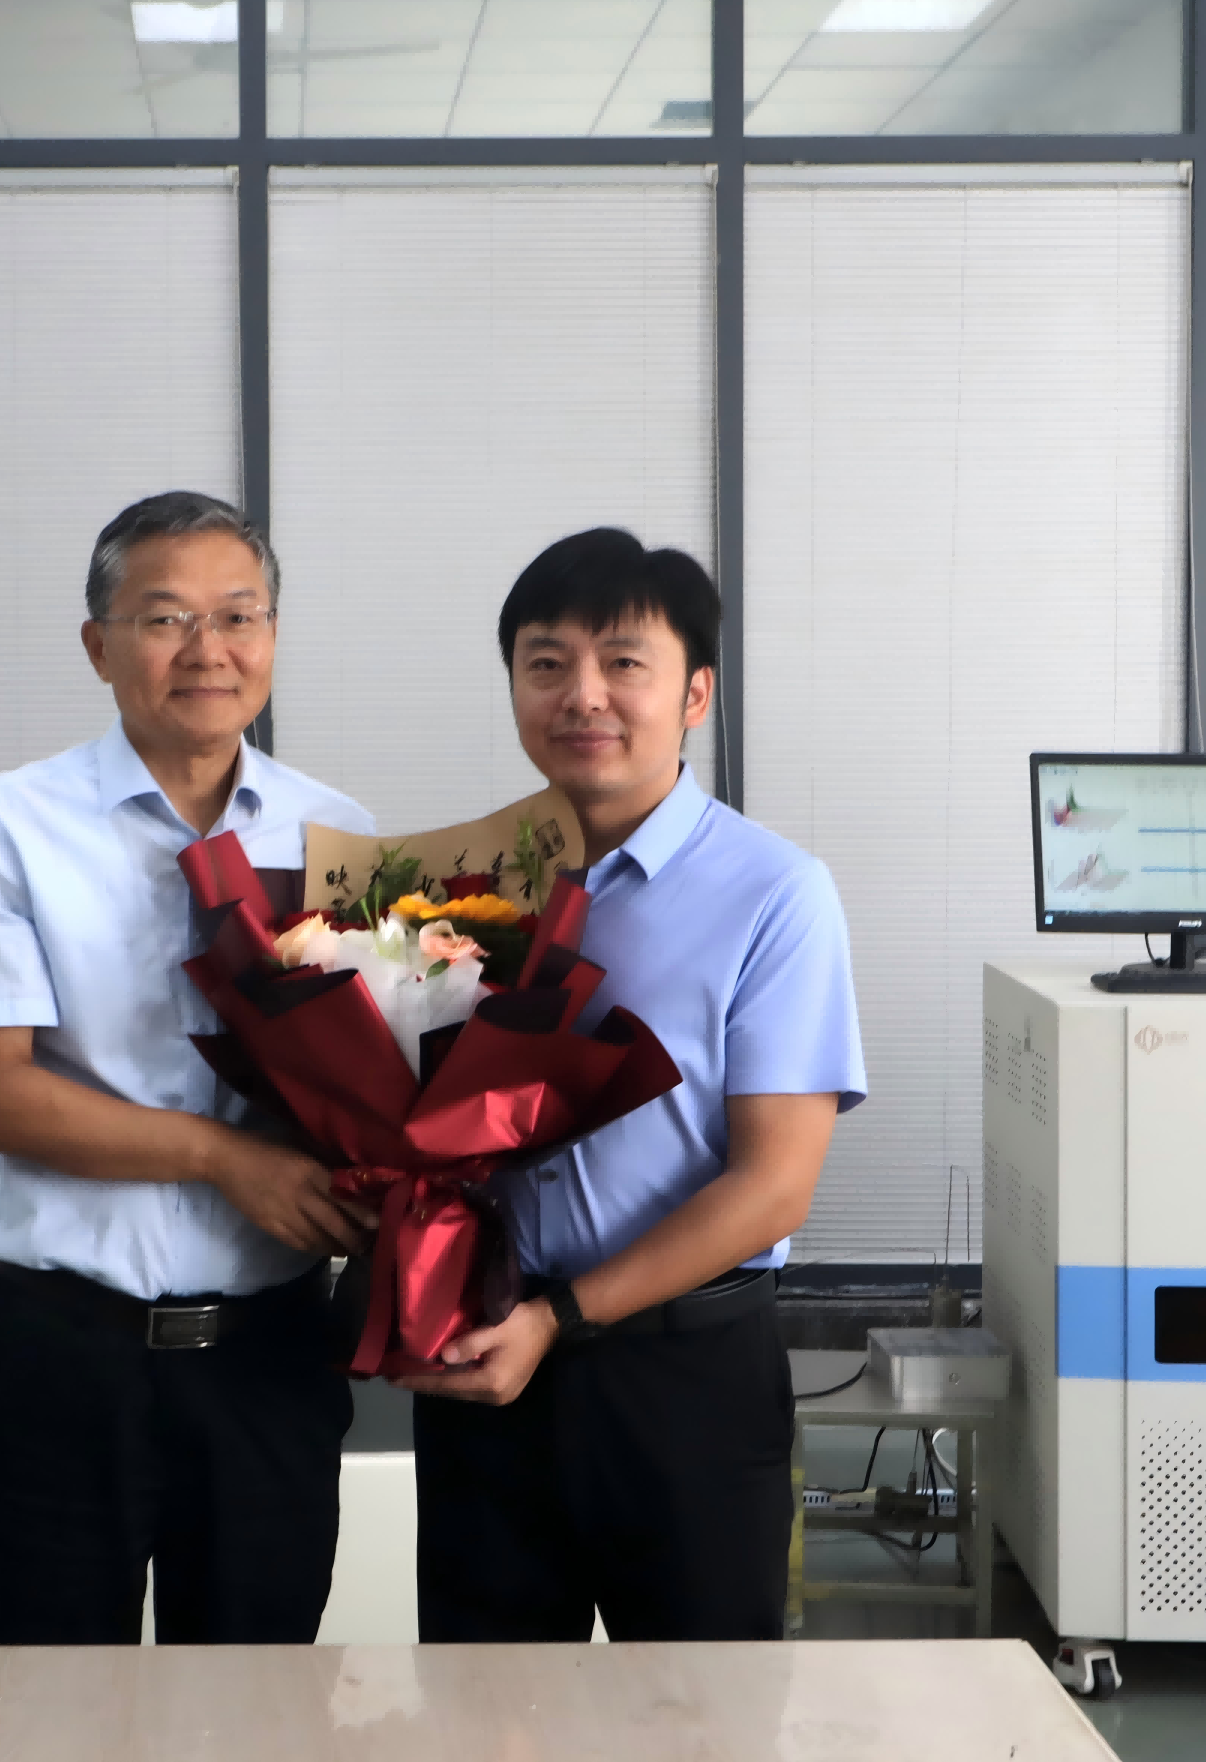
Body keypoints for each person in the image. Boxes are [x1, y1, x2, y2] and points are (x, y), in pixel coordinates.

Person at [397, 526, 866, 1643]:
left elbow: (773, 1186)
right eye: (546, 663)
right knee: (485, 1706)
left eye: (623, 662)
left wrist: (561, 1316)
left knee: (700, 1707)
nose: (583, 695)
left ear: (694, 692)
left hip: (682, 1375)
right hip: (486, 1364)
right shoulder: (462, 888)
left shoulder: (774, 892)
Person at [0, 490, 377, 1645]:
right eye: (166, 617)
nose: (207, 649)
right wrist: (226, 1158)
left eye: (238, 615)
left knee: (255, 1701)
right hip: (59, 1353)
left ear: (271, 636)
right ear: (99, 645)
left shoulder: (337, 835)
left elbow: (368, 1083)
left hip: (266, 1357)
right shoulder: (5, 823)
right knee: (43, 1699)